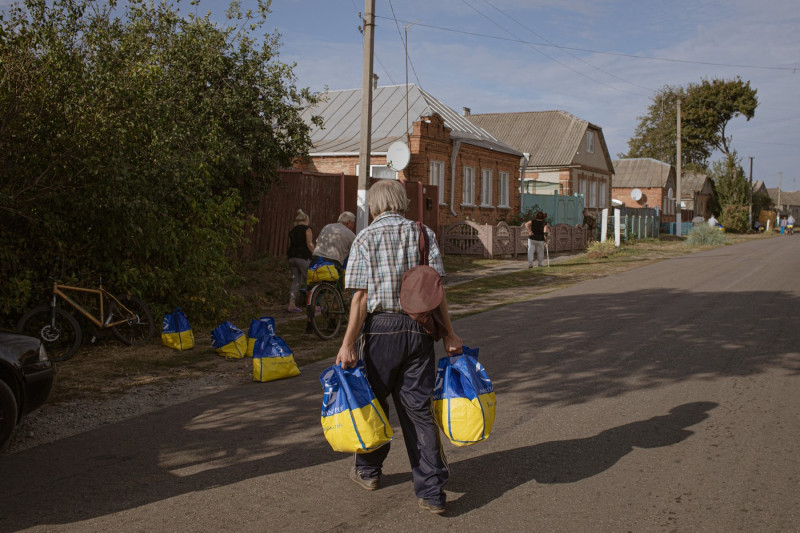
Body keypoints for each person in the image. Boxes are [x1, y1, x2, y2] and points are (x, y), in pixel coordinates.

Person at [335, 179, 462, 515]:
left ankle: (369, 471)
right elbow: (437, 293)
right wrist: (449, 333)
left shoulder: (365, 237)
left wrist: (348, 344)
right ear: (403, 203)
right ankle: (432, 492)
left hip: (379, 331)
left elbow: (360, 298)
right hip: (420, 328)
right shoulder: (423, 234)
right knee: (419, 410)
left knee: (373, 404)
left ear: (374, 206)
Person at [286, 209, 315, 313]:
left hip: (292, 257)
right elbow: (309, 243)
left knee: (296, 281)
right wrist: (316, 253)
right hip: (302, 257)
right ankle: (311, 305)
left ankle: (291, 304)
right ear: (306, 219)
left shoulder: (293, 230)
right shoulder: (307, 229)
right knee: (309, 281)